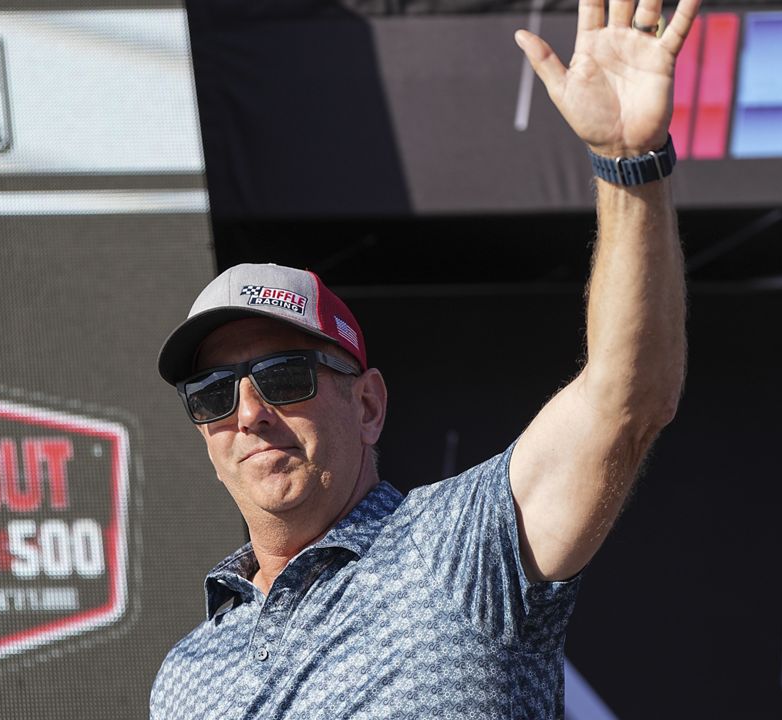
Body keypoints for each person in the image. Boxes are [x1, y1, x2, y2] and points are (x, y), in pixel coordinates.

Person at [149, 0, 695, 713]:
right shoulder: (187, 673)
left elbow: (627, 401)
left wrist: (629, 169)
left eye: (284, 377)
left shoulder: (458, 549)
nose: (249, 413)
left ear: (367, 403)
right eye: (214, 394)